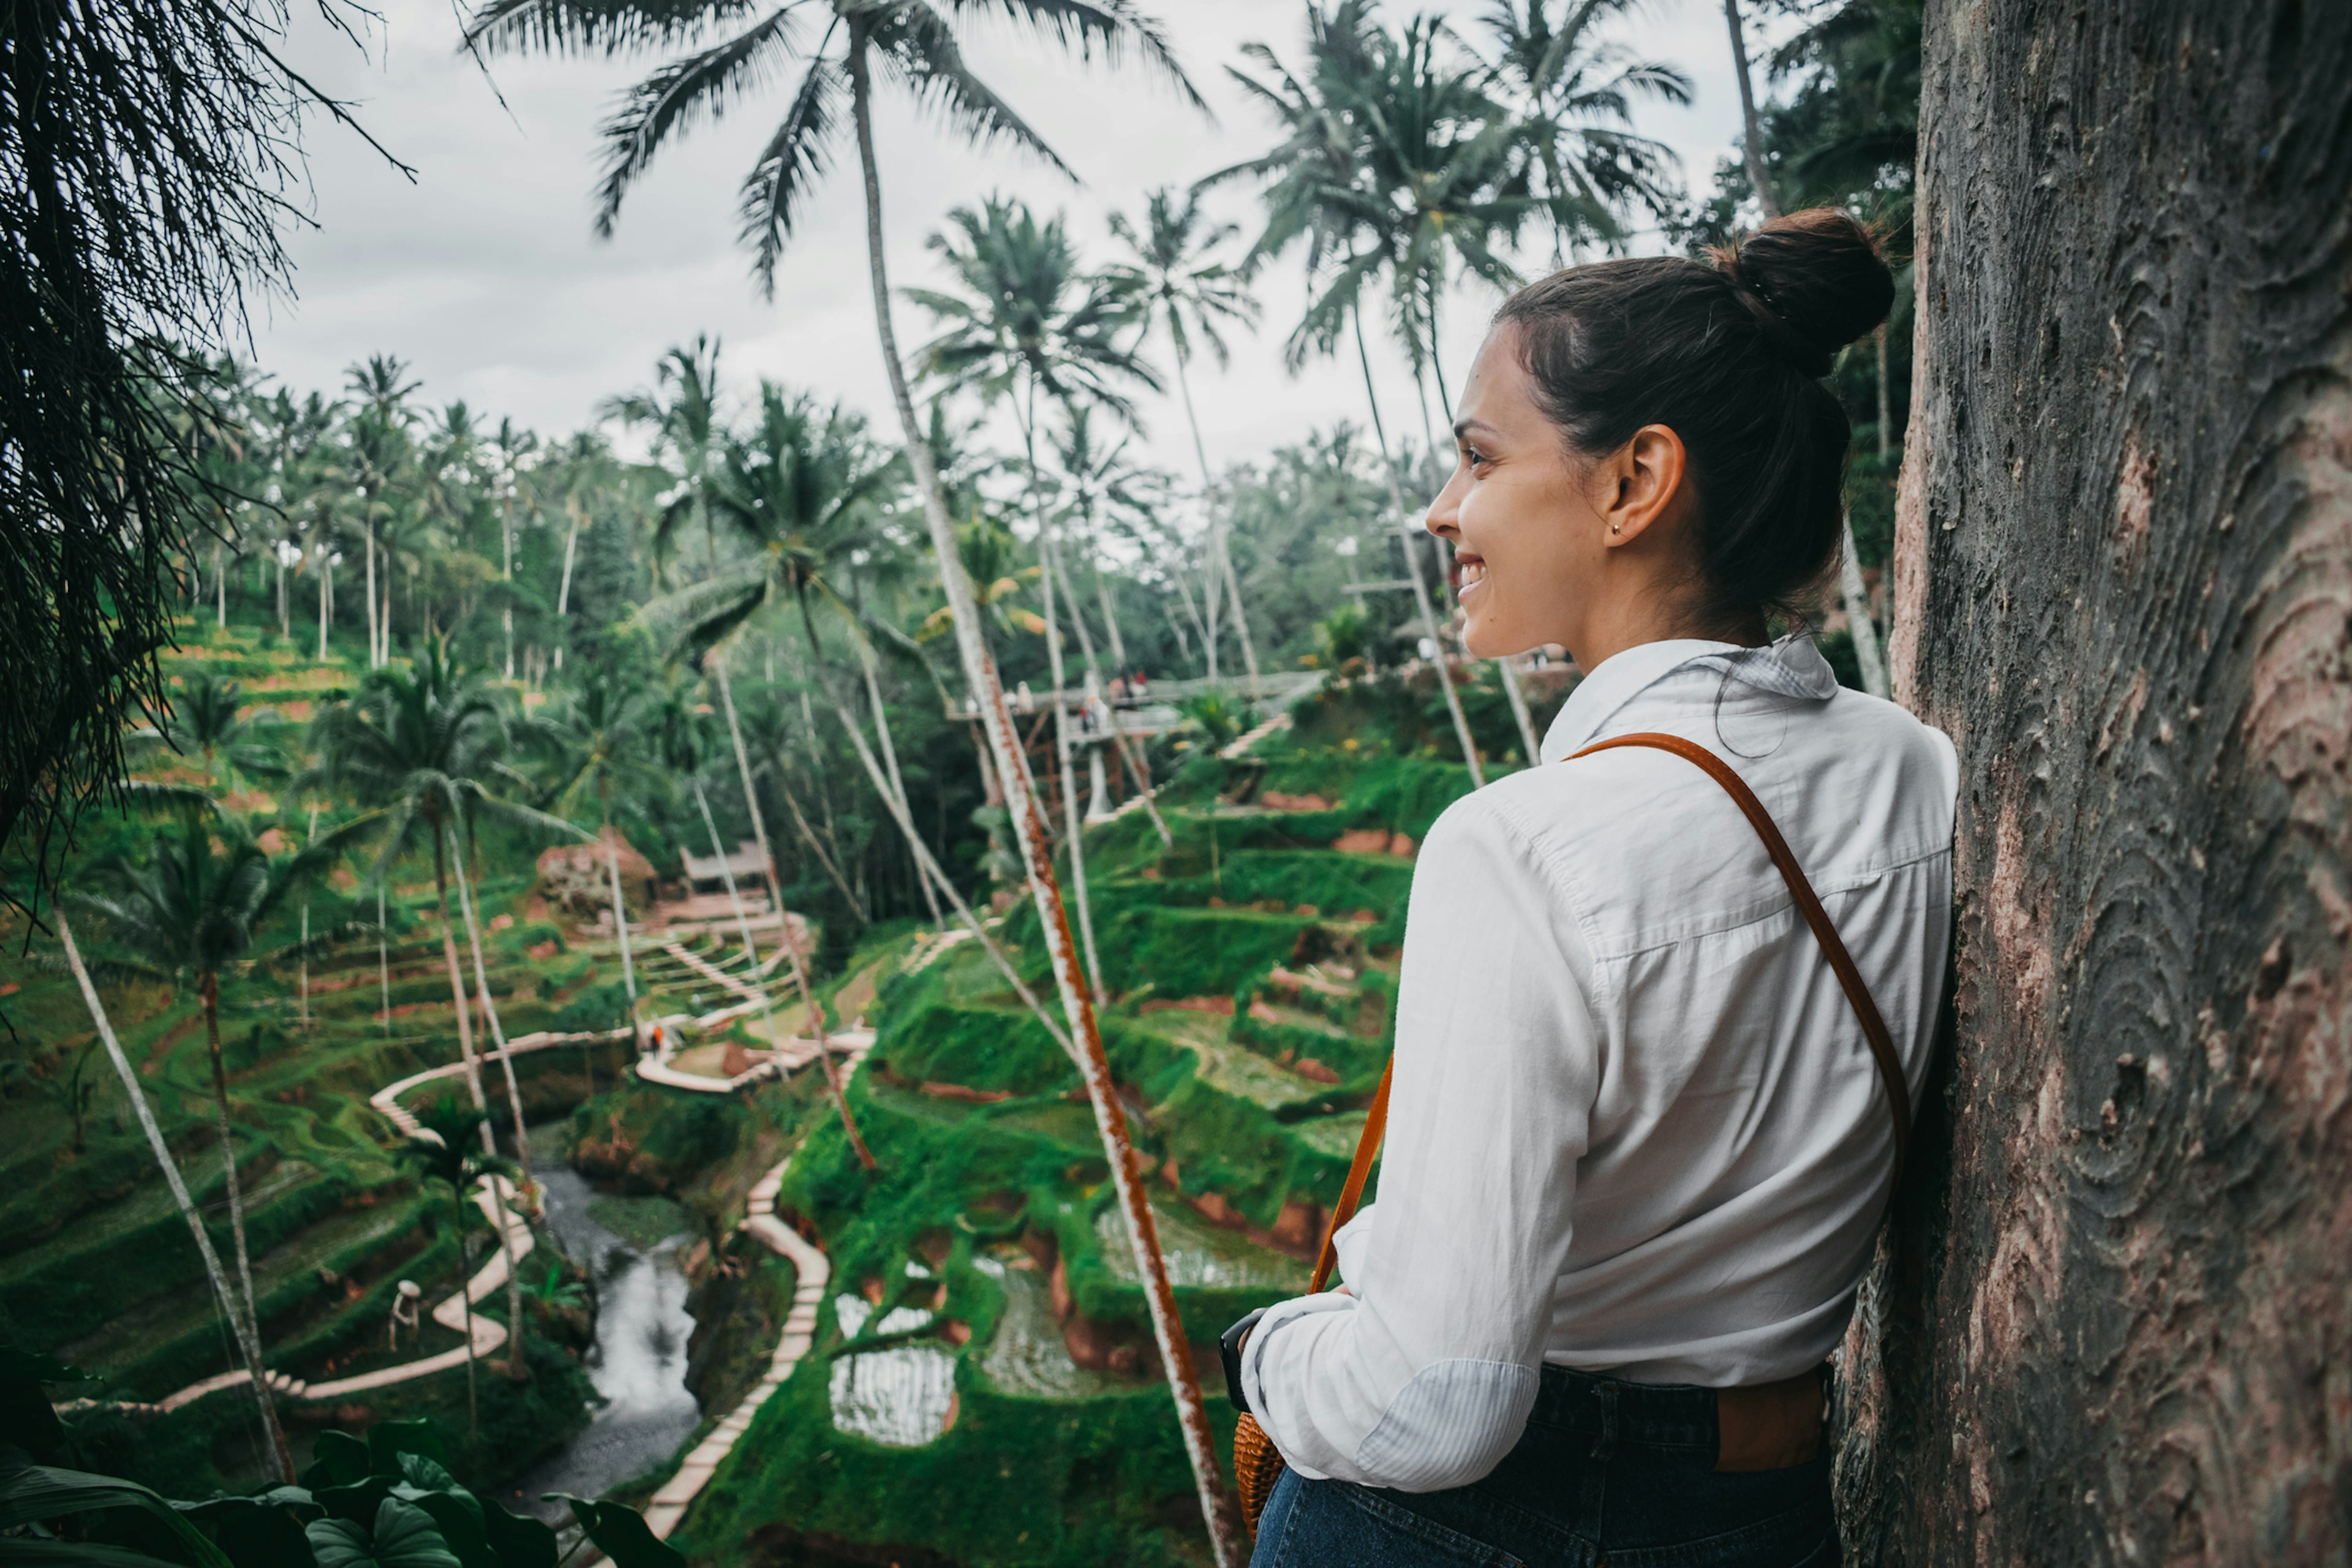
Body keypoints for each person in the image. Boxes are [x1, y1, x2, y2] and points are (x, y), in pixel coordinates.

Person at [1231, 209, 1956, 1566]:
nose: (1443, 509)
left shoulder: (1520, 847)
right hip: (1767, 1515)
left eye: (1479, 457)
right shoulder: (1915, 772)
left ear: (1635, 482)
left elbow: (1436, 1403)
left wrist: (1266, 1354)